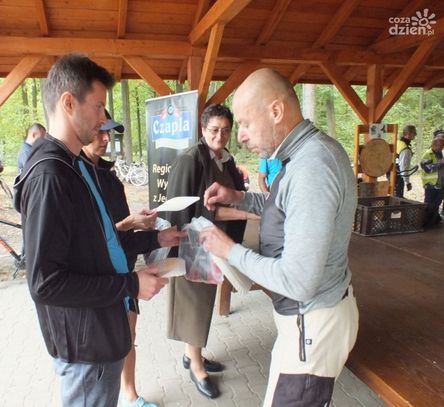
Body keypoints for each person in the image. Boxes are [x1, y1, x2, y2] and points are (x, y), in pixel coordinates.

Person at [13, 54, 172, 407]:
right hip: (86, 348)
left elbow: (100, 242)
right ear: (68, 103)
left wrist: (154, 241)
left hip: (101, 329)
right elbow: (44, 283)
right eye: (98, 107)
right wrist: (130, 284)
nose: (103, 119)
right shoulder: (50, 175)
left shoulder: (75, 166)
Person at [200, 68, 359, 407]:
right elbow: (285, 206)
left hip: (312, 325)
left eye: (245, 123)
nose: (240, 136)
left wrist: (230, 250)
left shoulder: (311, 167)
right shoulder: (305, 153)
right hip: (310, 323)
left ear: (275, 111)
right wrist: (239, 197)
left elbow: (298, 281)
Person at [82, 110, 185, 407]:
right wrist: (126, 224)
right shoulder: (73, 178)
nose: (105, 139)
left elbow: (122, 239)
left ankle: (130, 395)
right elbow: (86, 242)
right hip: (95, 281)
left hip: (124, 275)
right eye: (99, 131)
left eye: (108, 133)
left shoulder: (111, 179)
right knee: (101, 347)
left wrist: (158, 238)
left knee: (128, 335)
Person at [164, 104, 247, 400]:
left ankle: (193, 354)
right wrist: (177, 249)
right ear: (202, 129)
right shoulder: (190, 159)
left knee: (204, 301)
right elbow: (179, 207)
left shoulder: (226, 159)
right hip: (193, 245)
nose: (220, 135)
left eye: (225, 130)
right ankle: (195, 366)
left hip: (217, 244)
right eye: (214, 130)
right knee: (194, 303)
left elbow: (236, 197)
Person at [420, 131, 444, 227]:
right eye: (440, 146)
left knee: (436, 205)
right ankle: (423, 223)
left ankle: (432, 223)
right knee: (429, 205)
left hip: (440, 185)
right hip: (430, 185)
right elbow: (428, 169)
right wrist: (441, 163)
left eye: (443, 146)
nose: (442, 148)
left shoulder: (440, 154)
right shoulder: (427, 154)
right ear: (434, 145)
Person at [395, 125, 417, 197]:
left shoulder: (397, 142)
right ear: (408, 134)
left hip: (391, 173)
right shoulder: (405, 149)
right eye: (414, 133)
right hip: (399, 176)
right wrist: (407, 182)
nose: (415, 135)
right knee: (398, 198)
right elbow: (404, 167)